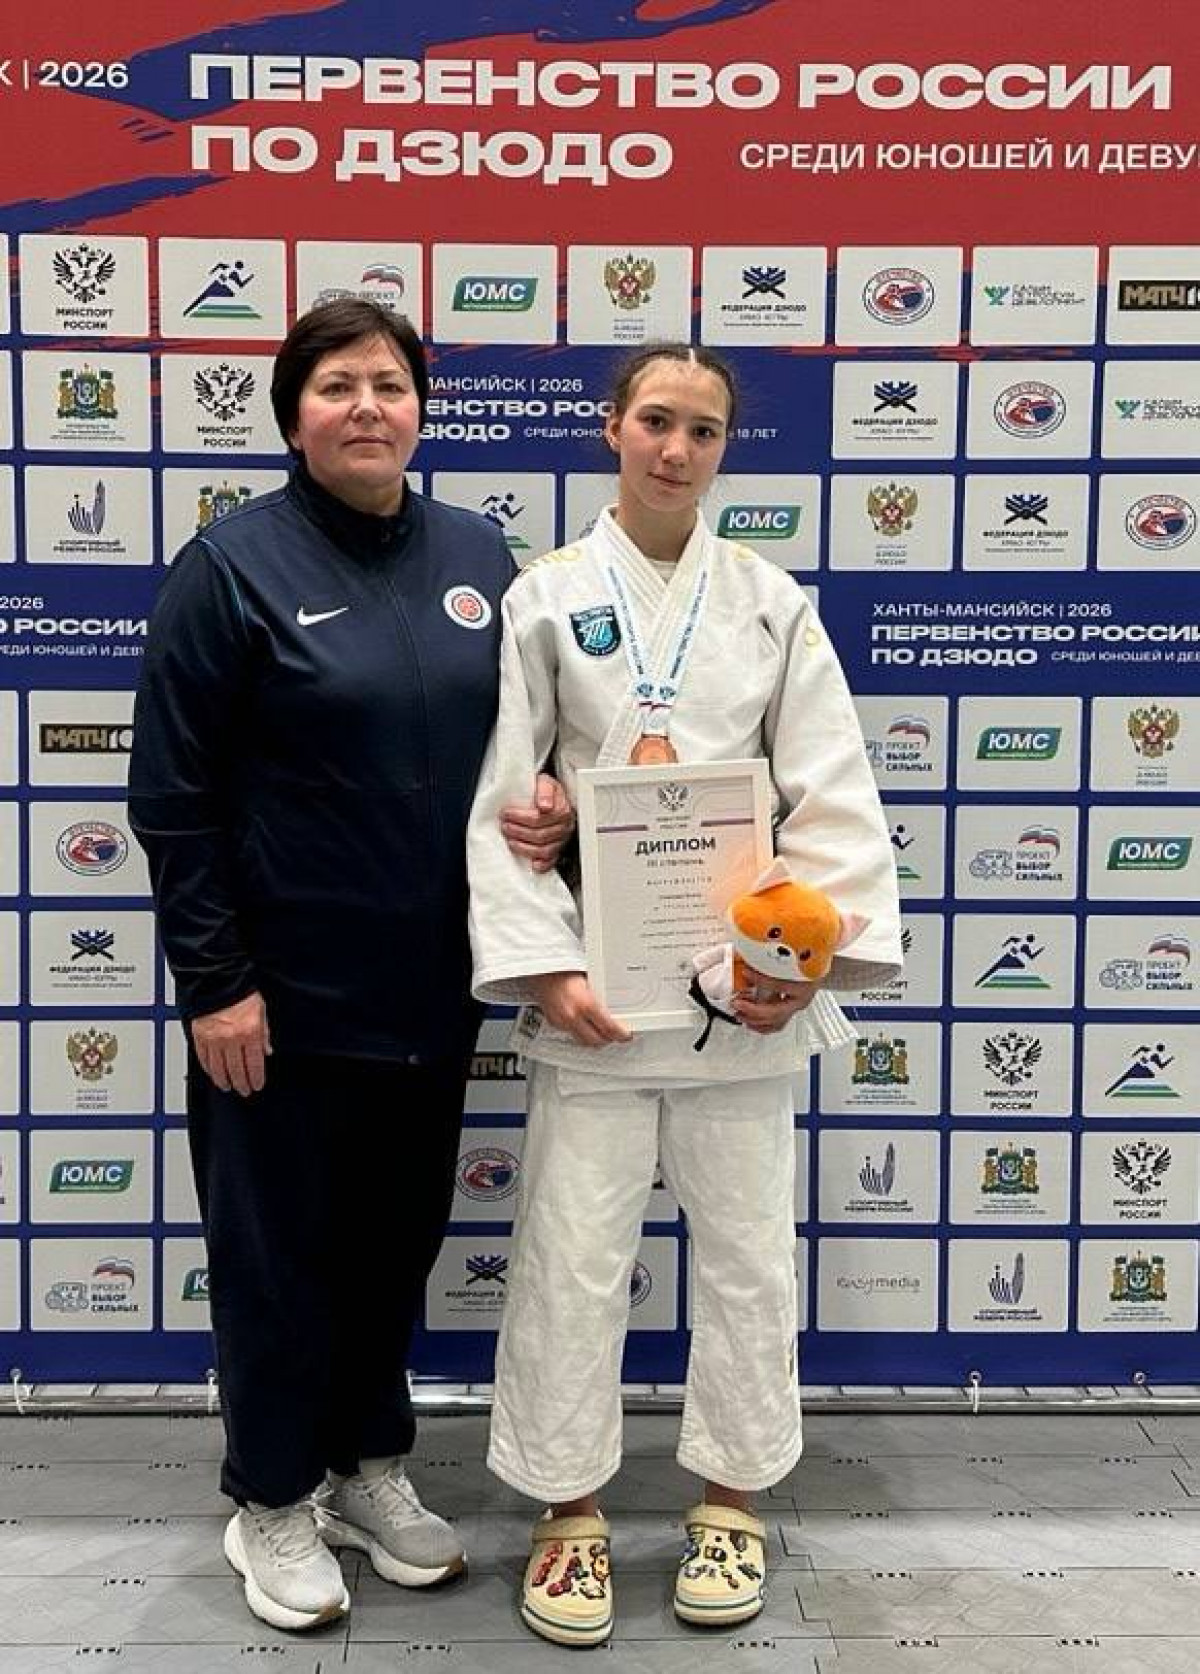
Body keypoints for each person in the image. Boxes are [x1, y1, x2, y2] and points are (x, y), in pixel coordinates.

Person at [128, 298, 572, 1633]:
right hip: (279, 1003)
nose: (367, 406)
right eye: (336, 385)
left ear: (420, 406)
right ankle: (270, 1494)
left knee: (393, 1244)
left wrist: (551, 802)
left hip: (430, 991)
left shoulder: (480, 553)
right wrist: (215, 981)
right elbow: (173, 798)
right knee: (275, 1259)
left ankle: (367, 1464)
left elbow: (526, 741)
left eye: (389, 382)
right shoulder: (230, 567)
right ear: (293, 416)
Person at [466, 342, 902, 1646]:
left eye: (703, 430)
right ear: (612, 427)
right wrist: (545, 962)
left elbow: (829, 790)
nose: (676, 448)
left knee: (751, 1260)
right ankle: (569, 1516)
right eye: (656, 420)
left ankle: (731, 1502)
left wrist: (795, 964)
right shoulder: (546, 596)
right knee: (571, 1259)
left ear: (724, 449)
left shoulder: (770, 601)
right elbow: (509, 793)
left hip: (740, 997)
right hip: (598, 995)